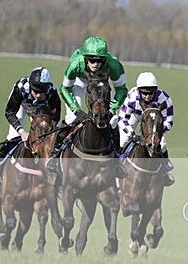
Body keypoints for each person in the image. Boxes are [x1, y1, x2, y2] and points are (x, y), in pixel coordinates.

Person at [46, 36, 128, 172]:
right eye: (91, 60)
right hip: (80, 83)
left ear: (105, 59)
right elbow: (65, 88)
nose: (95, 63)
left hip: (102, 85)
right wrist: (76, 110)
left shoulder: (114, 65)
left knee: (113, 121)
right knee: (71, 118)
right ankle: (55, 153)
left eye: (100, 60)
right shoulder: (76, 64)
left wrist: (113, 109)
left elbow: (121, 90)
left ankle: (117, 159)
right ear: (85, 58)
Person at [0, 67, 61, 183]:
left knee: (44, 138)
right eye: (35, 91)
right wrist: (21, 131)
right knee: (13, 136)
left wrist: (50, 132)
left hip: (39, 111)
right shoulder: (21, 88)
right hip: (21, 104)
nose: (38, 95)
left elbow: (56, 115)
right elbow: (9, 112)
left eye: (41, 92)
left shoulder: (52, 92)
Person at [115, 72, 176, 186]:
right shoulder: (132, 97)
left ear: (156, 90)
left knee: (162, 145)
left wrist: (157, 132)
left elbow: (169, 120)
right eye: (144, 93)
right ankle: (116, 167)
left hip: (155, 121)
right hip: (135, 116)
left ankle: (164, 170)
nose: (147, 96)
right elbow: (122, 118)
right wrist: (131, 133)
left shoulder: (164, 99)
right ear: (139, 91)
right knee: (122, 140)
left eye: (150, 93)